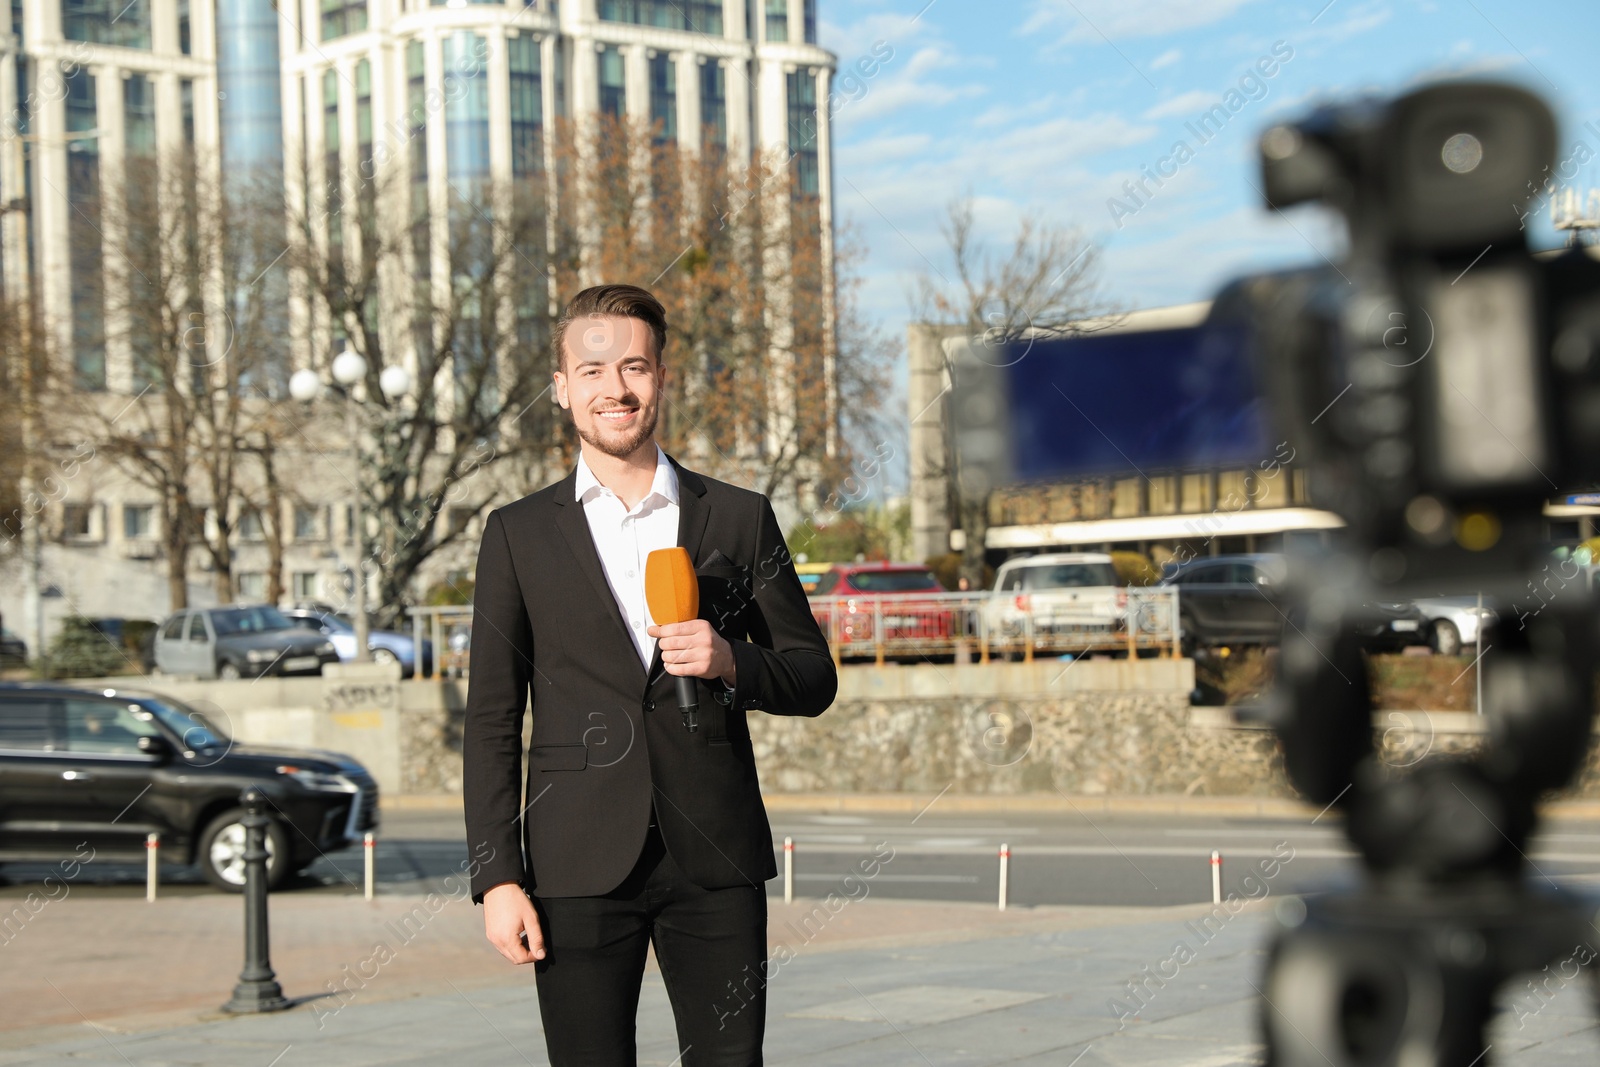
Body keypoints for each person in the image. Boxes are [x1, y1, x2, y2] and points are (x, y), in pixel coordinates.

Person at [462, 283, 837, 1067]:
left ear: (661, 378)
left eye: (634, 366)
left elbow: (812, 676)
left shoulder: (736, 516)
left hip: (717, 856)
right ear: (563, 388)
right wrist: (498, 878)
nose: (616, 388)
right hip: (575, 860)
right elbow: (493, 717)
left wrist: (733, 659)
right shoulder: (517, 534)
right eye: (593, 370)